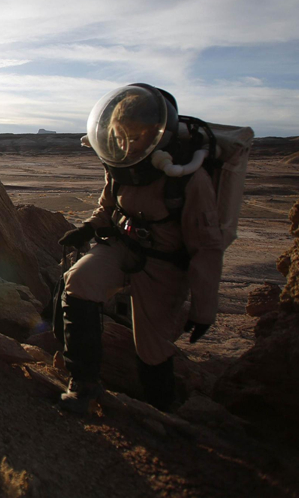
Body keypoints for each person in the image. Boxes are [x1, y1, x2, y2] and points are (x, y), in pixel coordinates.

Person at [56, 84, 223, 413]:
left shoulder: (188, 178)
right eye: (121, 135)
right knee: (79, 280)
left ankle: (161, 412)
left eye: (136, 135)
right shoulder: (121, 167)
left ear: (158, 135)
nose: (127, 143)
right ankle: (84, 384)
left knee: (151, 347)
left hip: (163, 264)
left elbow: (206, 247)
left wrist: (204, 310)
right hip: (122, 245)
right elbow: (107, 208)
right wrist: (89, 228)